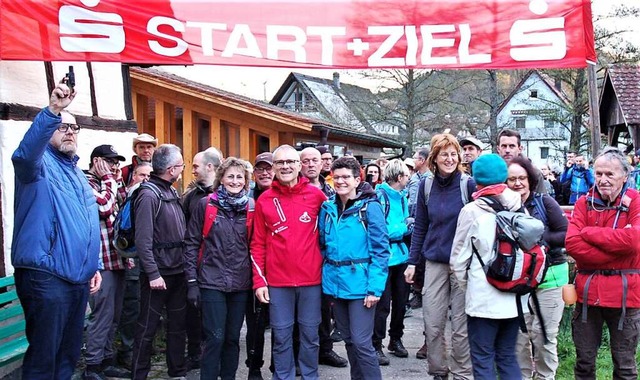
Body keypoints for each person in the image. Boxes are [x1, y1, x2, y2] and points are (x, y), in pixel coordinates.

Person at [11, 80, 102, 378]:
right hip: (46, 276)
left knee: (67, 356)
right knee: (44, 359)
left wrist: (94, 265)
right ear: (49, 129)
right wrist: (52, 110)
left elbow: (86, 223)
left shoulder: (76, 172)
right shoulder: (36, 167)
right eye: (63, 127)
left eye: (74, 128)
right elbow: (24, 154)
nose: (70, 133)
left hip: (77, 278)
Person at [250, 145, 327, 379]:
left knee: (310, 336)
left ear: (299, 165)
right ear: (273, 167)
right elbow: (257, 244)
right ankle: (282, 376)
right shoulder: (265, 200)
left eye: (290, 162)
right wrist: (259, 282)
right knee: (281, 336)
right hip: (277, 282)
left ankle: (309, 376)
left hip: (311, 281)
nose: (286, 167)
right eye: (280, 163)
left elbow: (331, 235)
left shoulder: (317, 197)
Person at [565, 147, 640, 380]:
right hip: (588, 295)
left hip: (626, 297)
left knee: (625, 365)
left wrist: (589, 232)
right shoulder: (583, 203)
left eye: (610, 174)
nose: (603, 180)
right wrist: (618, 249)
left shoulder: (636, 202)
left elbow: (634, 241)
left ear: (625, 176)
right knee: (584, 363)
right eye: (598, 174)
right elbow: (573, 245)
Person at [404, 133, 474, 380]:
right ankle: (439, 371)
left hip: (463, 264)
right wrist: (412, 262)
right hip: (434, 262)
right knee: (432, 322)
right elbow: (421, 226)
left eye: (454, 153)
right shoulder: (426, 185)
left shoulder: (468, 185)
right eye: (444, 154)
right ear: (434, 157)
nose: (450, 158)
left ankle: (462, 373)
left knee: (462, 325)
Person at [450, 153, 523, 379]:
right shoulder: (519, 206)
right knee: (507, 356)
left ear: (476, 179)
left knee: (482, 359)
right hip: (514, 296)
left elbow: (458, 260)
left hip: (482, 298)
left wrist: (469, 286)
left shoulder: (471, 211)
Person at [319, 156, 390, 380]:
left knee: (361, 342)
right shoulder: (327, 208)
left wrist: (375, 288)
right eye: (336, 177)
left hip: (362, 285)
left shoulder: (369, 208)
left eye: (346, 177)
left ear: (357, 179)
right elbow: (323, 244)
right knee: (349, 340)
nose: (340, 181)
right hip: (337, 284)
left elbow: (380, 250)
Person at [184, 157, 253, 379]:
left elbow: (256, 245)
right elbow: (192, 243)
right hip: (211, 281)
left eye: (239, 177)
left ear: (246, 181)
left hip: (241, 283)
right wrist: (192, 282)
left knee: (233, 338)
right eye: (230, 176)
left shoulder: (251, 208)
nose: (234, 181)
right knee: (215, 337)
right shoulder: (206, 205)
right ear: (221, 178)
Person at [507, 157, 569, 380]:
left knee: (543, 336)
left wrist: (539, 239)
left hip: (550, 278)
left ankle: (545, 377)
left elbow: (566, 234)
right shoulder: (503, 208)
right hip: (517, 283)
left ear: (530, 180)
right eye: (511, 179)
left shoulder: (544, 203)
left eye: (522, 178)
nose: (517, 183)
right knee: (519, 339)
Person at [131, 144, 188, 380]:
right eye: (182, 166)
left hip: (177, 271)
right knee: (147, 327)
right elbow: (143, 240)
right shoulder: (148, 194)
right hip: (158, 275)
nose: (183, 170)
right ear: (172, 169)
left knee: (177, 327)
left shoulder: (170, 191)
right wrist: (153, 274)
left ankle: (177, 372)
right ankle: (139, 375)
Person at [83, 145, 131, 380]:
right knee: (102, 315)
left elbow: (121, 203)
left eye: (116, 162)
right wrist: (108, 179)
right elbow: (104, 206)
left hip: (117, 259)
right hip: (100, 263)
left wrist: (115, 181)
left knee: (114, 316)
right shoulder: (85, 181)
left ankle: (107, 360)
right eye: (109, 161)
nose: (114, 166)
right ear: (96, 161)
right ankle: (92, 366)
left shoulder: (110, 181)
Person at [299, 147, 347, 368]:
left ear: (322, 164)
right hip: (300, 257)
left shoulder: (331, 191)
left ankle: (324, 349)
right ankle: (300, 354)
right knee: (299, 311)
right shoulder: (293, 188)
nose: (310, 164)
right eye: (305, 160)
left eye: (314, 160)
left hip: (326, 258)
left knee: (324, 308)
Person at [180, 147, 222, 369]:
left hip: (221, 265)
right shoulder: (191, 196)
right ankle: (196, 353)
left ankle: (215, 355)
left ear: (209, 166)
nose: (192, 170)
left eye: (196, 165)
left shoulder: (228, 192)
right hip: (196, 262)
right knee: (193, 311)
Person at [372, 159, 413, 363]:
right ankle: (376, 344)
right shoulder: (379, 197)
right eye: (406, 175)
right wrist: (404, 229)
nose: (409, 178)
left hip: (401, 257)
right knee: (382, 305)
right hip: (384, 258)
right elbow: (379, 230)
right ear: (399, 177)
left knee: (401, 303)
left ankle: (395, 339)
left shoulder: (402, 197)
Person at [246, 152, 275, 380]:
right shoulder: (246, 199)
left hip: (278, 268)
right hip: (252, 268)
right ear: (254, 173)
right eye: (260, 169)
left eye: (269, 168)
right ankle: (254, 367)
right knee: (255, 323)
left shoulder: (281, 196)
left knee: (281, 323)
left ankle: (279, 365)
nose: (264, 173)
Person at [404, 147, 430, 359]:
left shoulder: (462, 183)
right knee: (432, 304)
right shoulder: (424, 181)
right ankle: (430, 342)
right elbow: (420, 220)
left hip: (451, 254)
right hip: (428, 249)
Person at [496, 129, 547, 194]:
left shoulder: (534, 172)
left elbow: (542, 200)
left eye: (512, 146)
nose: (507, 150)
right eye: (504, 146)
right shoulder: (491, 173)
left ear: (520, 149)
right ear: (498, 149)